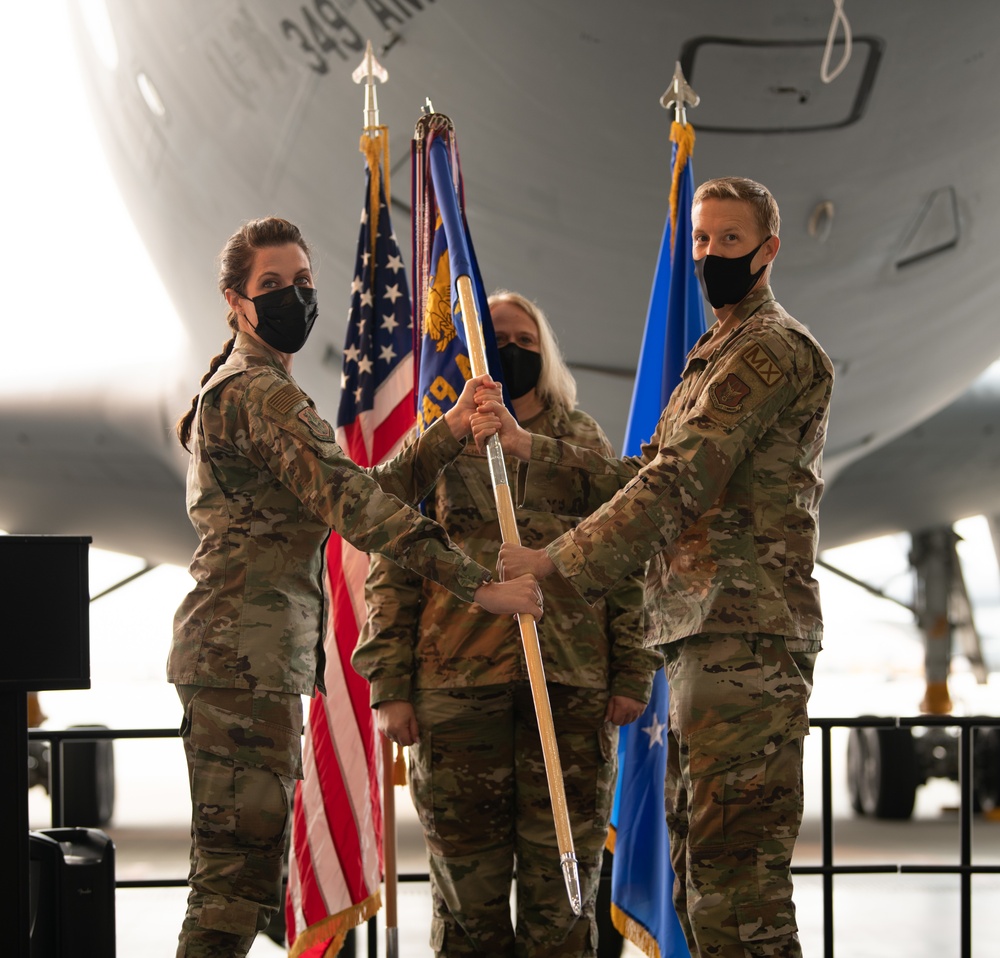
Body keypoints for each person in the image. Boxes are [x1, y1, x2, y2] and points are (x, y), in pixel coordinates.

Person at [474, 179, 835, 958]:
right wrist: (533, 448)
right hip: (705, 636)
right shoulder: (715, 354)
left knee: (739, 885)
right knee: (700, 875)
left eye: (727, 241)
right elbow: (645, 470)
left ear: (768, 251)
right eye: (700, 240)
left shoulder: (767, 351)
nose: (707, 256)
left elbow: (678, 483)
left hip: (746, 639)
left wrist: (554, 565)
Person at [167, 217, 543, 958]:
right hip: (242, 662)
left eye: (303, 284)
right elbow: (360, 510)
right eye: (271, 286)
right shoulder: (259, 394)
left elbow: (350, 492)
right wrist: (482, 589)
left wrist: (448, 432)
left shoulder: (265, 388)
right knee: (232, 886)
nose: (292, 297)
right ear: (235, 301)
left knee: (246, 875)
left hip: (250, 659)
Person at [352, 290, 661, 957]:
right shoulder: (439, 443)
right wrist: (391, 685)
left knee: (564, 895)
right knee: (468, 898)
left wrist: (634, 668)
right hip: (456, 689)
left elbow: (626, 557)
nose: (514, 350)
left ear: (544, 351)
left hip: (570, 687)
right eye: (499, 339)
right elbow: (394, 563)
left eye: (526, 340)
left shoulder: (578, 442)